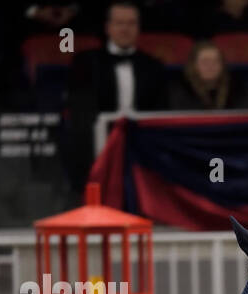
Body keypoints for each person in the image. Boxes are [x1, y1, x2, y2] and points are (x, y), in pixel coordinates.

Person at [64, 2, 169, 192]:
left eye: (131, 23)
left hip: (142, 151)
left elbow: (160, 112)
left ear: (138, 28)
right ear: (108, 28)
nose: (125, 29)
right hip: (97, 147)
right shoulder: (86, 62)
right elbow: (81, 113)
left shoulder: (153, 66)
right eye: (119, 23)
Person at [169, 41, 248, 109]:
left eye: (216, 61)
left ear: (222, 65)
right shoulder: (180, 89)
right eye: (205, 62)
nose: (211, 66)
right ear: (193, 65)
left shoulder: (237, 87)